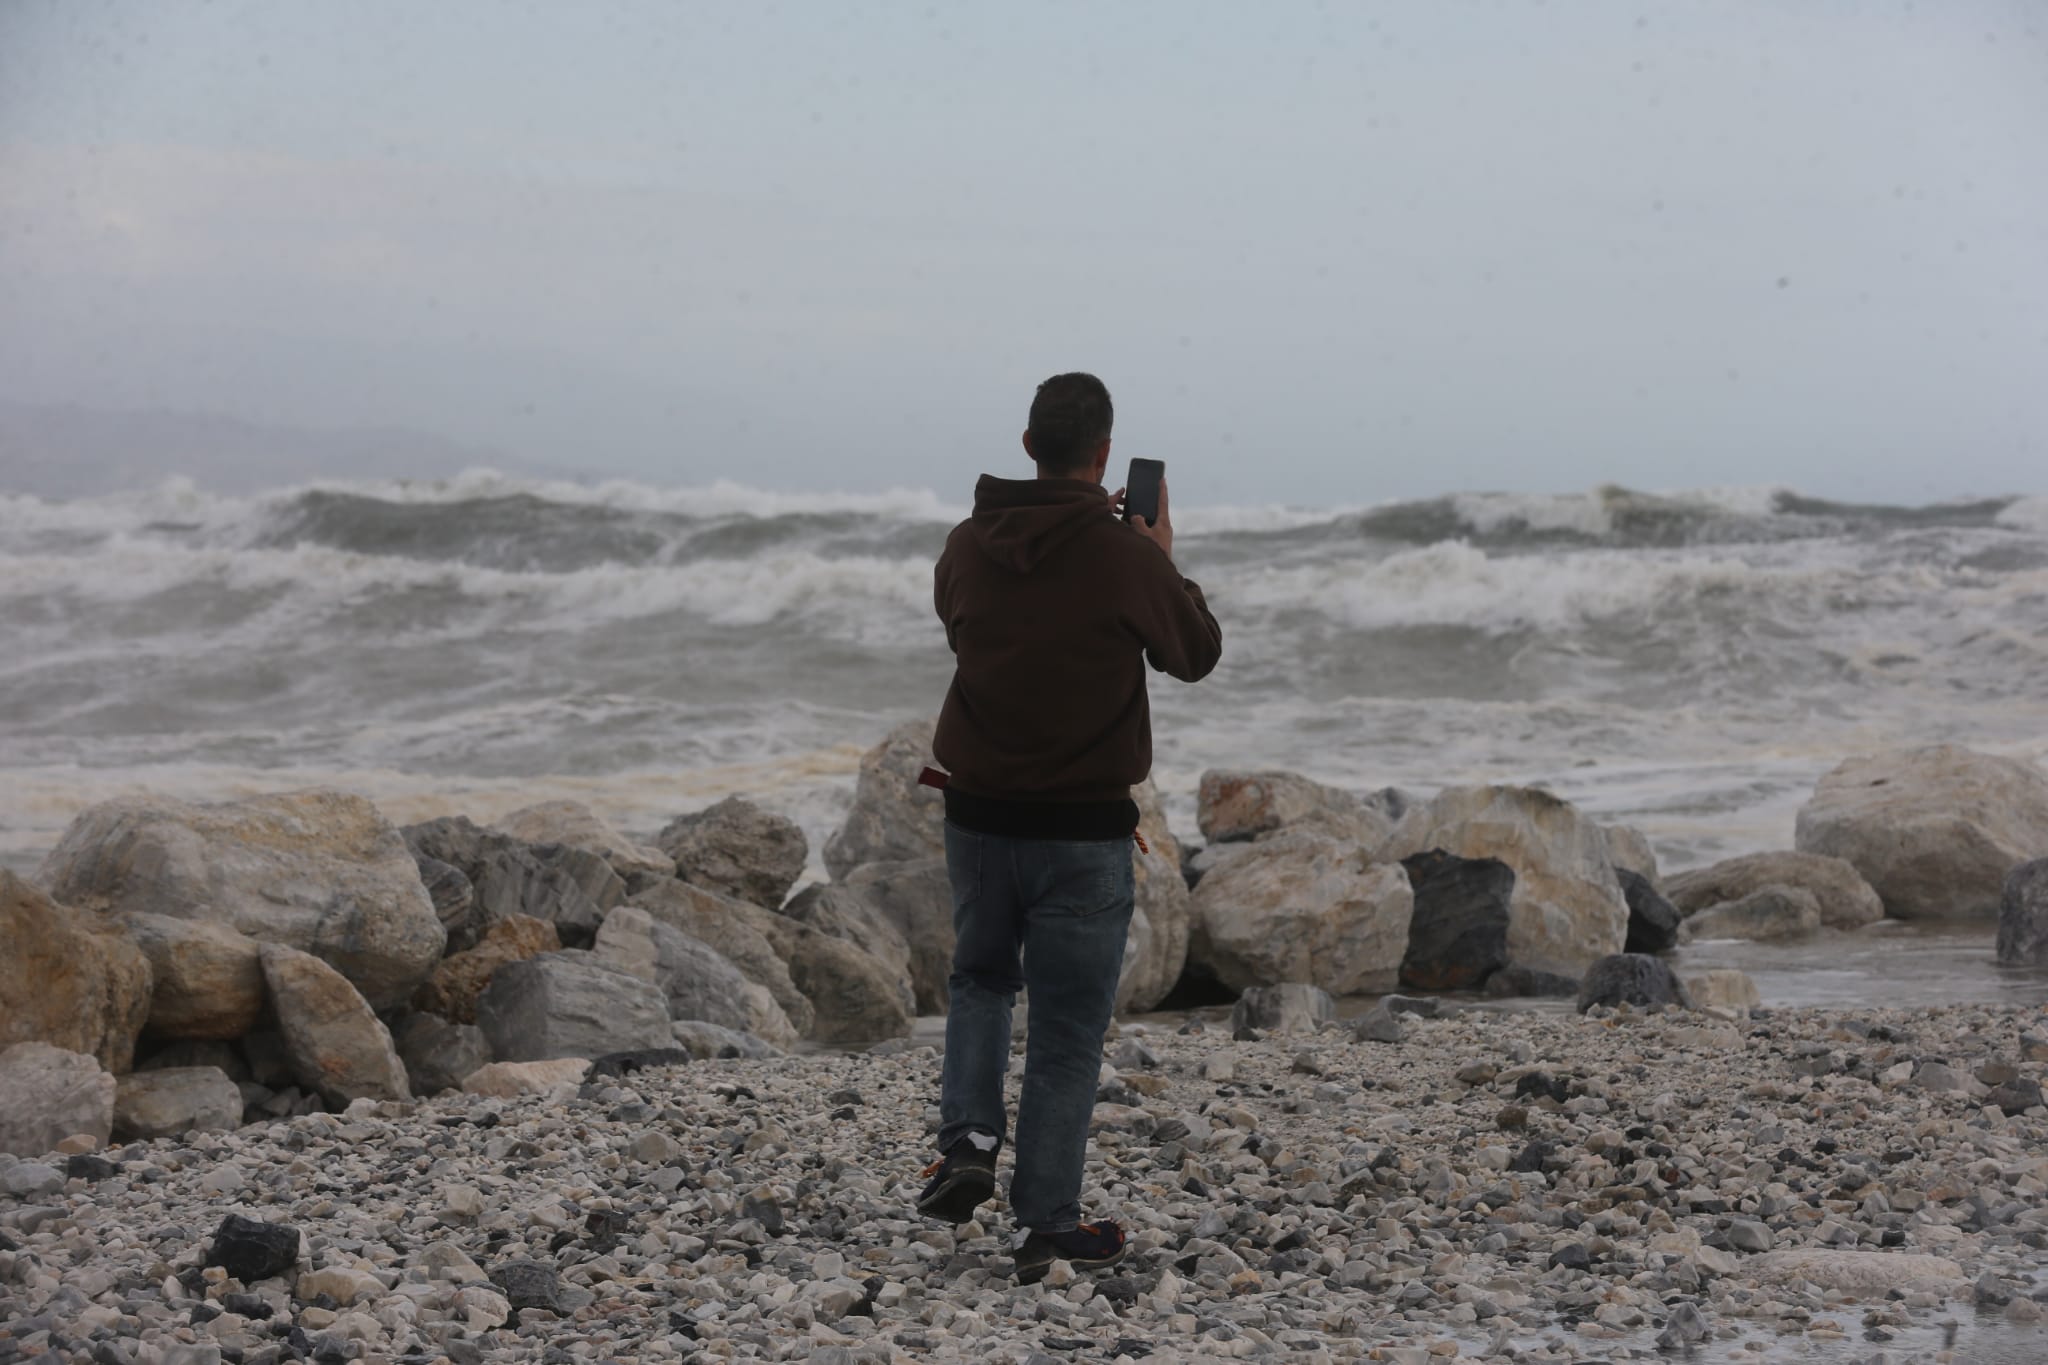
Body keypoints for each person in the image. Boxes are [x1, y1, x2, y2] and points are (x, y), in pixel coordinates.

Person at [915, 371, 1223, 1283]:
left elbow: (961, 624)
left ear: (1026, 445)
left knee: (978, 978)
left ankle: (967, 1136)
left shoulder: (967, 545)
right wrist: (1159, 552)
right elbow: (1195, 654)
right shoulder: (1124, 556)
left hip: (977, 812)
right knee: (1063, 1031)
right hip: (1082, 830)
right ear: (1103, 454)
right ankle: (1047, 1222)